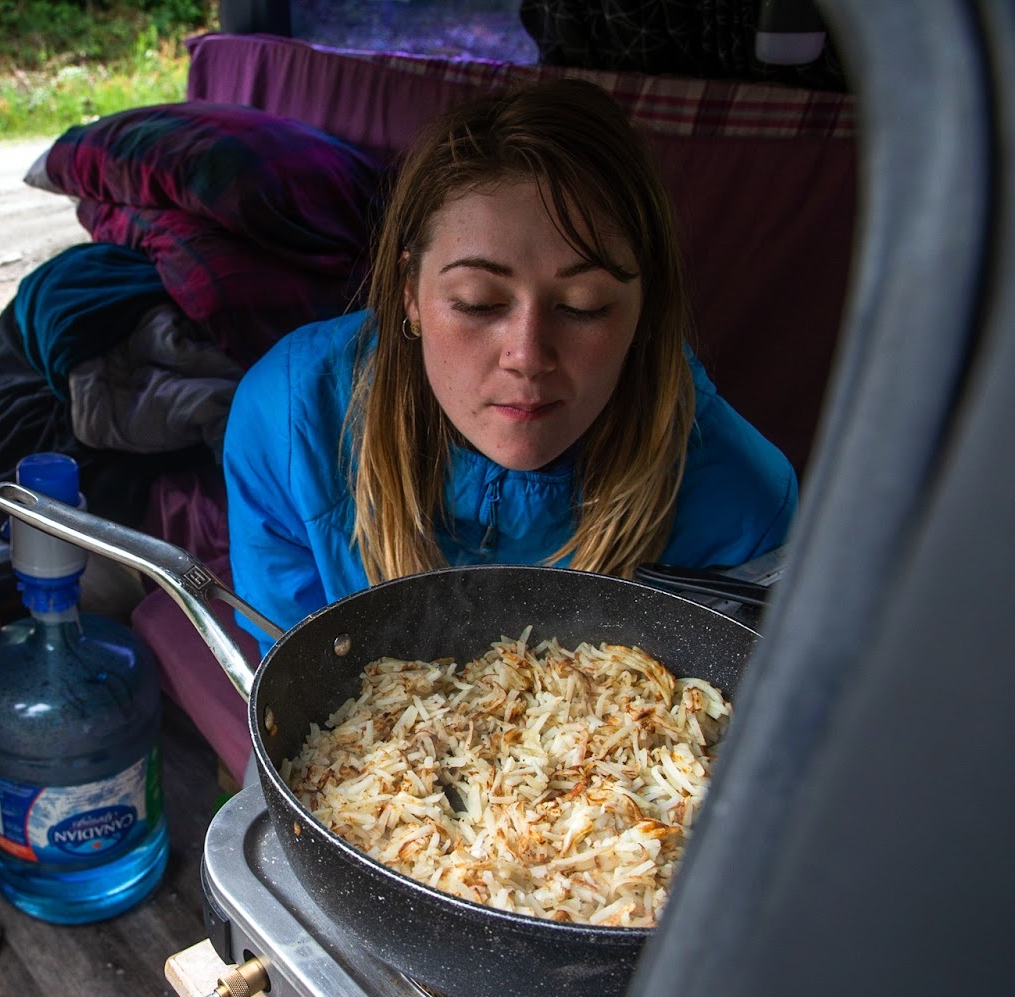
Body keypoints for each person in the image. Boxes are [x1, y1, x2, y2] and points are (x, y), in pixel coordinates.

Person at [223, 78, 798, 652]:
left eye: (583, 307)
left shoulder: (745, 507)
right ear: (409, 294)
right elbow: (294, 679)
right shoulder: (289, 420)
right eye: (478, 302)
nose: (526, 356)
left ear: (646, 312)